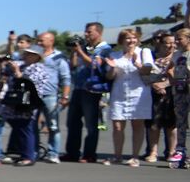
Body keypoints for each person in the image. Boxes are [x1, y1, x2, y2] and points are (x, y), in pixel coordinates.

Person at [104, 28, 155, 165]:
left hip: (139, 94)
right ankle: (117, 156)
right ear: (121, 41)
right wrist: (112, 68)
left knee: (137, 126)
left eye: (133, 37)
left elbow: (147, 70)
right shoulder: (115, 55)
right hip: (119, 93)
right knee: (117, 126)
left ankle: (135, 157)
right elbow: (109, 77)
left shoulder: (144, 52)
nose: (131, 40)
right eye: (127, 38)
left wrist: (137, 63)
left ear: (138, 40)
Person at [65, 21, 114, 162]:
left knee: (91, 124)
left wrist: (80, 51)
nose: (86, 34)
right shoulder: (85, 48)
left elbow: (94, 64)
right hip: (78, 88)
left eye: (89, 32)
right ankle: (72, 152)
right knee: (72, 122)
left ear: (99, 32)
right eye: (85, 31)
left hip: (92, 90)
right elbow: (73, 65)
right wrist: (74, 52)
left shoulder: (104, 49)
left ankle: (89, 154)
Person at [36, 31, 71, 163]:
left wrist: (65, 96)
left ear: (51, 41)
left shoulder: (58, 57)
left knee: (53, 125)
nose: (39, 43)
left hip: (50, 95)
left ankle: (53, 153)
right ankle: (33, 151)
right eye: (38, 41)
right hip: (34, 94)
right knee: (33, 125)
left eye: (42, 41)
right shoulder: (34, 55)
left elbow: (66, 78)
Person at [145, 31, 176, 162]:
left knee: (172, 125)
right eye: (166, 43)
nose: (169, 46)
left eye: (172, 43)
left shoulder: (179, 57)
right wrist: (154, 84)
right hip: (154, 93)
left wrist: (164, 84)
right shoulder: (152, 58)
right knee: (154, 125)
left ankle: (172, 152)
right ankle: (153, 152)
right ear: (160, 44)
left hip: (173, 93)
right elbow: (144, 75)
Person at [167, 27, 189, 168]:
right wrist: (173, 80)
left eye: (179, 39)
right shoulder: (177, 55)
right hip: (180, 92)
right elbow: (169, 68)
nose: (176, 42)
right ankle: (181, 152)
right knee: (181, 124)